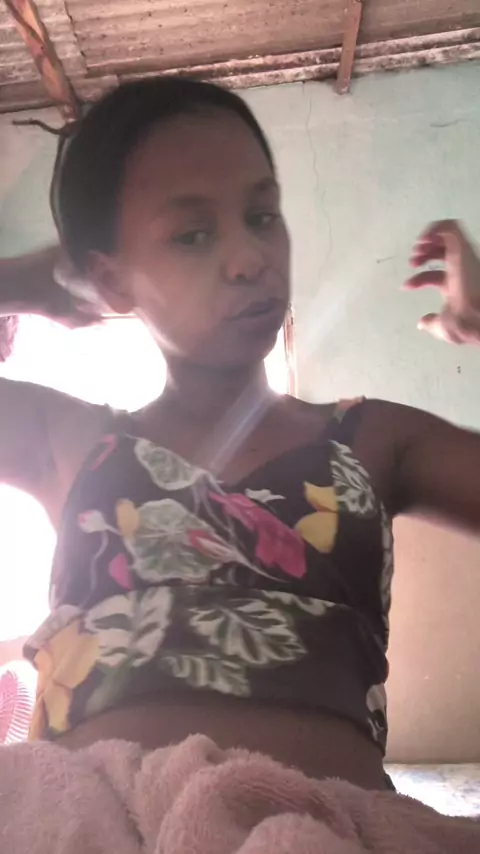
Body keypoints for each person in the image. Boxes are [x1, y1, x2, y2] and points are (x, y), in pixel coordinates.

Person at [0, 79, 479, 794]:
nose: (250, 258)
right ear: (110, 279)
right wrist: (16, 280)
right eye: (193, 234)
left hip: (331, 834)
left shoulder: (376, 441)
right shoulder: (66, 440)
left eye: (262, 215)